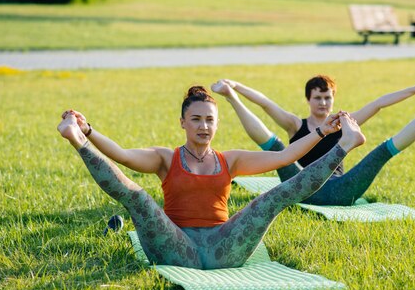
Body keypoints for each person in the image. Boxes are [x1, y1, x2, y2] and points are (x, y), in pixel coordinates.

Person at [58, 86, 366, 269]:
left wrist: (325, 131)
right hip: (174, 247)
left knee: (275, 196)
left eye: (209, 120)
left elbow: (284, 157)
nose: (203, 126)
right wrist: (86, 131)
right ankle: (75, 140)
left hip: (225, 248)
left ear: (216, 124)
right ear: (183, 122)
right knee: (137, 197)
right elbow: (122, 155)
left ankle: (345, 145)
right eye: (196, 119)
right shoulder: (166, 158)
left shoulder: (229, 160)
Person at [211, 76, 415, 206]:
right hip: (299, 185)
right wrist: (235, 86)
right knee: (277, 150)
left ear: (333, 99)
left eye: (327, 98)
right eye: (317, 98)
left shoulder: (346, 121)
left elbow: (379, 103)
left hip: (339, 189)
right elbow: (266, 103)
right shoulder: (296, 125)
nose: (323, 103)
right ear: (308, 100)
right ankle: (230, 97)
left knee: (382, 152)